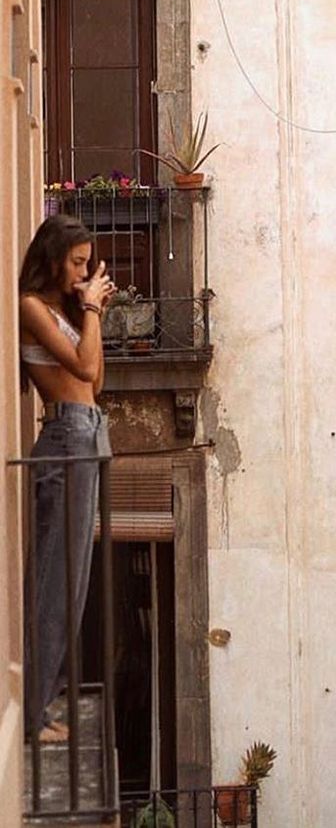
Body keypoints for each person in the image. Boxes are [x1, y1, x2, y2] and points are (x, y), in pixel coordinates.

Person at [19, 215, 116, 743]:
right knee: (55, 579)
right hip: (65, 438)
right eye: (77, 262)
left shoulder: (62, 309)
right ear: (54, 257)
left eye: (87, 264)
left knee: (74, 583)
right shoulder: (31, 307)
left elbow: (97, 377)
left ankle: (45, 700)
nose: (83, 272)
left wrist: (89, 312)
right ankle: (33, 713)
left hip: (88, 431)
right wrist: (94, 309)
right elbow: (80, 370)